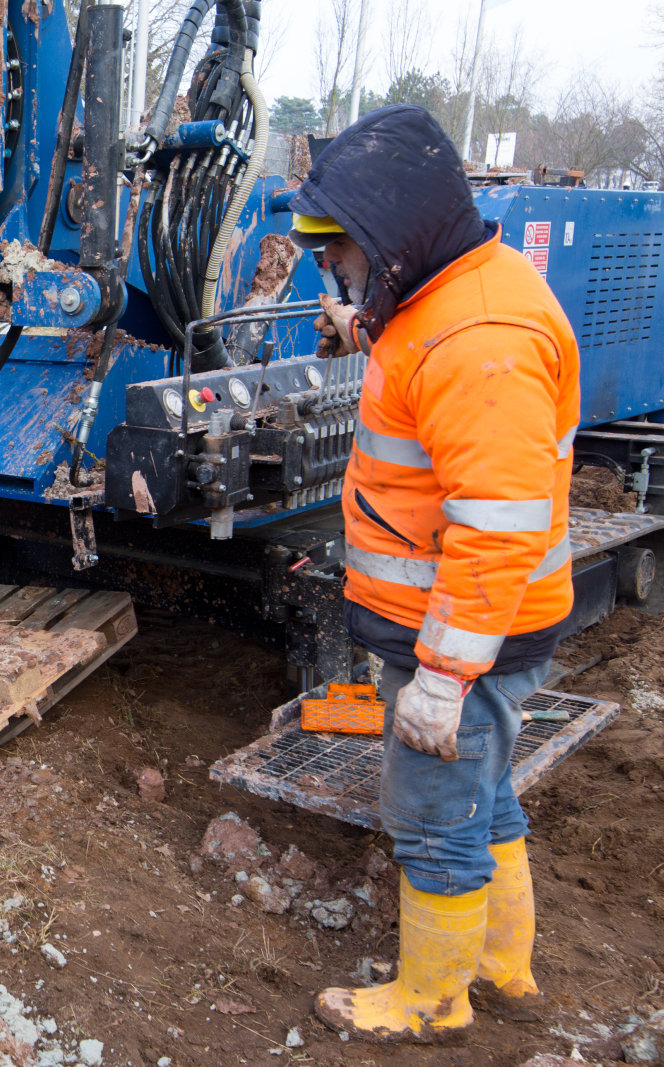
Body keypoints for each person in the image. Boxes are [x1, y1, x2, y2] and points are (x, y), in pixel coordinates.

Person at [287, 105, 579, 1041]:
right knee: (485, 794)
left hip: (465, 636)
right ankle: (501, 964)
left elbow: (496, 527)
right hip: (485, 628)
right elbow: (427, 373)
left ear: (396, 236)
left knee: (433, 813)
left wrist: (446, 677)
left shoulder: (478, 338)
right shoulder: (450, 302)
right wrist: (357, 327)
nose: (335, 272)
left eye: (343, 256)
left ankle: (433, 1000)